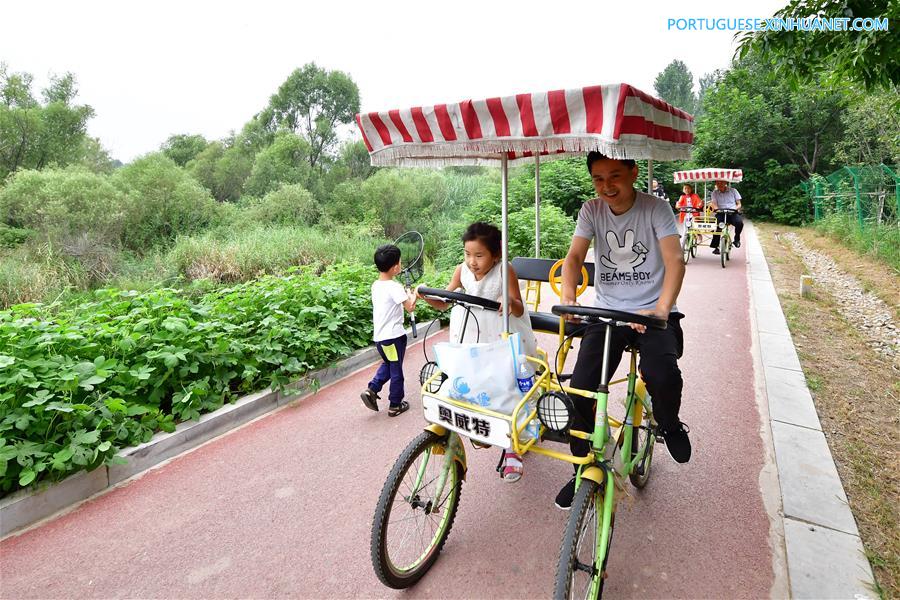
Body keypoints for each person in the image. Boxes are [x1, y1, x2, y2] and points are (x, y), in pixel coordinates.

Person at [555, 152, 691, 510]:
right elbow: (573, 258)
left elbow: (675, 261)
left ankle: (669, 422)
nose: (607, 187)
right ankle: (583, 466)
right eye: (598, 179)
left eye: (614, 176)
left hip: (654, 313)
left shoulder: (656, 208)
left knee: (662, 373)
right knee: (581, 388)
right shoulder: (591, 210)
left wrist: (661, 309)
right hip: (609, 313)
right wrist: (570, 297)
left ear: (633, 172)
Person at [418, 222, 537, 483]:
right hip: (469, 333)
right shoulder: (461, 271)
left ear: (495, 255)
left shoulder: (505, 270)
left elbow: (518, 308)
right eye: (467, 254)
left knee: (505, 386)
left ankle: (511, 449)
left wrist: (509, 301)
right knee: (466, 379)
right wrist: (425, 294)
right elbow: (444, 302)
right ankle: (474, 423)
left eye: (479, 255)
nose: (472, 261)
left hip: (498, 334)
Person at [361, 244, 417, 417]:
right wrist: (416, 293)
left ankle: (372, 389)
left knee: (389, 363)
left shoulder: (376, 285)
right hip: (394, 337)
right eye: (400, 262)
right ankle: (395, 404)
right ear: (395, 267)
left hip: (380, 338)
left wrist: (406, 294)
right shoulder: (394, 287)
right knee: (396, 369)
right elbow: (410, 307)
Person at [709, 179, 744, 252]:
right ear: (716, 184)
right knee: (716, 226)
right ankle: (716, 246)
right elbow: (714, 204)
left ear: (725, 182)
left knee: (739, 223)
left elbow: (739, 204)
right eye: (718, 183)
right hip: (720, 212)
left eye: (721, 182)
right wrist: (717, 209)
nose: (720, 184)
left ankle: (737, 239)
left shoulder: (733, 190)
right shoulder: (714, 193)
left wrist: (734, 209)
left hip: (732, 212)